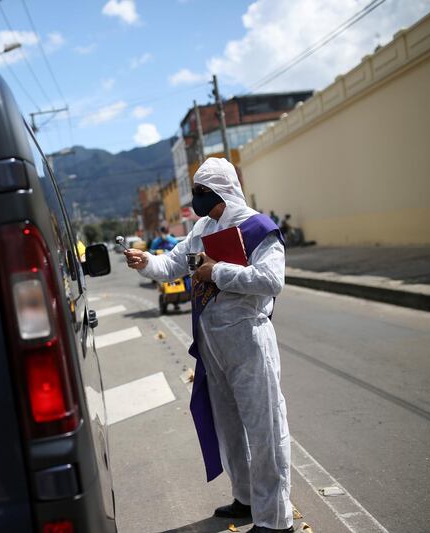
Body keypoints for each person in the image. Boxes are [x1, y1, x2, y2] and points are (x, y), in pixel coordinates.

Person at [123, 158, 292, 533]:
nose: (196, 199)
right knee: (228, 426)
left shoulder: (258, 228)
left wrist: (215, 271)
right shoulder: (202, 227)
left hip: (248, 338)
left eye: (202, 192)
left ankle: (276, 520)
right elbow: (172, 265)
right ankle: (246, 499)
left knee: (264, 428)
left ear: (222, 191)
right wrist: (145, 261)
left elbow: (271, 280)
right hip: (213, 342)